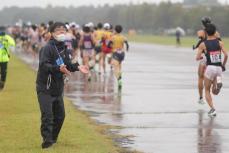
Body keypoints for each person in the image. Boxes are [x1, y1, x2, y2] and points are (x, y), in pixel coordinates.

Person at [36, 22, 89, 149]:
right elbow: (44, 65)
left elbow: (68, 64)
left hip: (58, 88)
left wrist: (78, 67)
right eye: (58, 30)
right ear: (52, 33)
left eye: (63, 30)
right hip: (45, 88)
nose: (61, 32)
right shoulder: (47, 48)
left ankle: (53, 138)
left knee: (60, 116)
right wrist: (58, 68)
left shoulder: (64, 48)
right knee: (48, 116)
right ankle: (47, 141)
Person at [196, 23, 227, 117]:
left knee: (207, 90)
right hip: (219, 68)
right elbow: (226, 55)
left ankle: (212, 109)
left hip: (210, 68)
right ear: (215, 32)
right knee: (215, 92)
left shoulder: (203, 44)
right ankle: (218, 84)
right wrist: (223, 65)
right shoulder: (220, 42)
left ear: (206, 32)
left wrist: (202, 56)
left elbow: (197, 57)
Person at [194, 17, 221, 104]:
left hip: (204, 56)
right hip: (214, 55)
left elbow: (200, 42)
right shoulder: (216, 33)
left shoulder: (200, 32)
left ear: (202, 24)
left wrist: (196, 47)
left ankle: (201, 97)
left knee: (200, 77)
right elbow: (218, 43)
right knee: (213, 73)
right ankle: (215, 85)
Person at [111, 25, 129, 89]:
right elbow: (127, 44)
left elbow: (109, 44)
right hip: (122, 53)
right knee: (119, 66)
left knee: (115, 68)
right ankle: (120, 77)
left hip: (115, 53)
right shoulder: (123, 37)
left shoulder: (113, 37)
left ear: (115, 30)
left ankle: (119, 79)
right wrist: (126, 49)